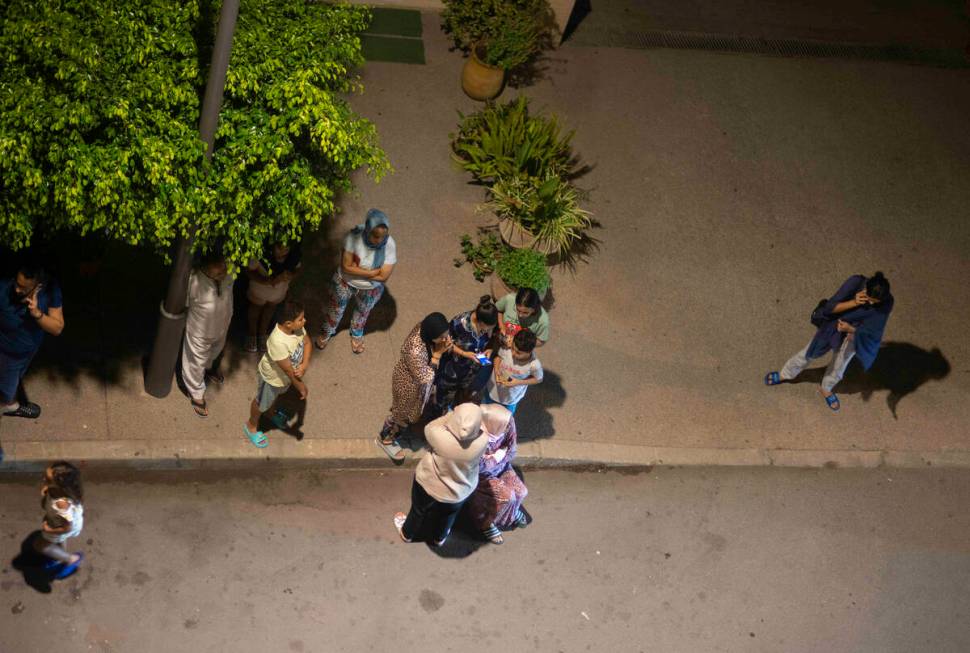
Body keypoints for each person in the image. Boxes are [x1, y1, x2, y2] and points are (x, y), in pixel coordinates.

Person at [765, 272, 894, 411]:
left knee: (840, 364)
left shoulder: (887, 303)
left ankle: (826, 387)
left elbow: (874, 331)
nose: (871, 303)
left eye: (875, 302)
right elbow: (829, 308)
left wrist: (852, 330)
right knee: (809, 353)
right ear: (865, 288)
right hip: (833, 327)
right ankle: (786, 374)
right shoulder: (856, 282)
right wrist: (854, 302)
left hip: (854, 335)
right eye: (869, 299)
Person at [393, 403, 489, 547]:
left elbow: (430, 427)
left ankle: (407, 533)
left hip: (429, 484)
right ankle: (440, 538)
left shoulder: (440, 436)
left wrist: (450, 415)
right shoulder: (483, 440)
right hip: (460, 492)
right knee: (448, 515)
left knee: (418, 510)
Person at [315, 209, 396, 355]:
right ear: (367, 230)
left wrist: (357, 270)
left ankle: (357, 332)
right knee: (335, 309)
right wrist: (372, 272)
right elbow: (346, 267)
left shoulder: (389, 245)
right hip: (345, 282)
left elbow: (384, 276)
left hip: (371, 288)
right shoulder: (353, 237)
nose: (380, 240)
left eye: (383, 236)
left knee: (363, 312)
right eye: (376, 236)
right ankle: (328, 330)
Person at [377, 312, 453, 462]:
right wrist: (438, 355)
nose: (446, 339)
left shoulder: (425, 330)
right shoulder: (414, 350)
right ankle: (385, 438)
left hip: (418, 384)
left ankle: (401, 427)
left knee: (409, 412)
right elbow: (425, 377)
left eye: (447, 335)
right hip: (408, 386)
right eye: (442, 337)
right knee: (400, 415)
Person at [0, 263, 65, 420]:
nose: (16, 289)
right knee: (8, 386)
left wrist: (37, 313)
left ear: (38, 286)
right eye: (17, 283)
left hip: (28, 349)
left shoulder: (50, 289)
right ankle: (10, 405)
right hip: (8, 354)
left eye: (23, 287)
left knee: (15, 376)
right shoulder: (3, 288)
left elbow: (57, 328)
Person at [244, 300, 311, 448]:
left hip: (285, 379)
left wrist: (304, 364)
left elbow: (307, 343)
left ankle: (270, 412)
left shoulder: (297, 329)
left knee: (272, 398)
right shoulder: (278, 342)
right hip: (272, 380)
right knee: (260, 402)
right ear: (288, 323)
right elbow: (287, 370)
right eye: (301, 319)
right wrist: (301, 387)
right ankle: (251, 426)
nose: (304, 321)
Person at [180, 252, 234, 418]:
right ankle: (196, 394)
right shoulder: (193, 280)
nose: (222, 274)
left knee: (215, 351)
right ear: (205, 269)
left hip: (221, 327)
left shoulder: (229, 272)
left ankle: (209, 368)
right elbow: (183, 305)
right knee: (195, 363)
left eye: (223, 270)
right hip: (199, 332)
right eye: (217, 273)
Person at [467, 404, 529, 544]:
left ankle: (509, 514)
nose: (507, 427)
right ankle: (486, 523)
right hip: (481, 477)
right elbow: (478, 467)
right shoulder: (474, 435)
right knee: (508, 497)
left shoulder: (507, 423)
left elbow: (512, 450)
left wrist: (495, 458)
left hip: (502, 467)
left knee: (521, 492)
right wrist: (498, 455)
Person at [431, 296, 498, 416]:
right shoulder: (459, 324)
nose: (489, 330)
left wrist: (489, 349)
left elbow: (491, 340)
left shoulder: (490, 320)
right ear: (480, 321)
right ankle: (440, 412)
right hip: (453, 367)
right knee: (445, 393)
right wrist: (465, 354)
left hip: (471, 367)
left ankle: (453, 407)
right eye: (488, 328)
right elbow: (445, 343)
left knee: (462, 390)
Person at [245, 241, 302, 353]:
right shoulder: (261, 256)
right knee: (255, 309)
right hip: (259, 291)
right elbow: (249, 271)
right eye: (280, 248)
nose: (283, 253)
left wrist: (292, 275)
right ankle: (252, 334)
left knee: (270, 310)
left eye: (286, 249)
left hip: (278, 293)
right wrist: (267, 281)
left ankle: (262, 333)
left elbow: (298, 269)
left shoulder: (292, 258)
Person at [32, 461, 85, 579]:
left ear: (59, 486)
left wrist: (49, 530)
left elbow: (67, 527)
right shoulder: (60, 491)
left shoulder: (61, 504)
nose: (43, 479)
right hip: (64, 523)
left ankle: (71, 559)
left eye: (47, 479)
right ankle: (58, 556)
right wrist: (47, 489)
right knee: (60, 540)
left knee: (40, 545)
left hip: (60, 527)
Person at [484, 328, 543, 414]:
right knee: (485, 412)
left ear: (529, 352)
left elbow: (538, 379)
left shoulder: (534, 365)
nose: (513, 354)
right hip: (492, 391)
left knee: (504, 421)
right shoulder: (507, 348)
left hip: (510, 399)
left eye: (518, 353)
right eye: (513, 348)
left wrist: (517, 382)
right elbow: (498, 357)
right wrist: (496, 370)